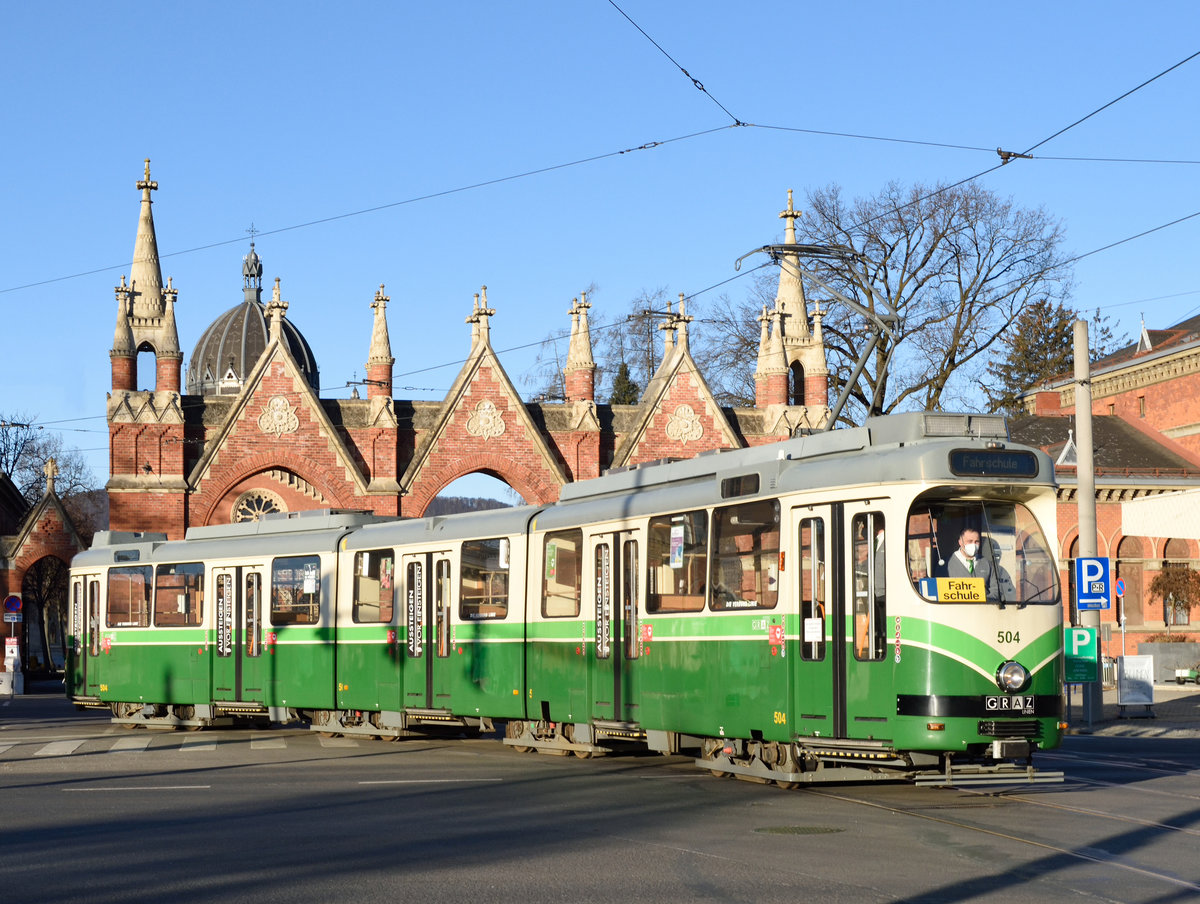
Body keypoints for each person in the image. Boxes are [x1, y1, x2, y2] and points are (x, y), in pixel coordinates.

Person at [946, 528, 999, 600]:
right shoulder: (946, 564)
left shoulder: (988, 564)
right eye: (970, 541)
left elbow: (996, 591)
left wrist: (983, 601)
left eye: (976, 541)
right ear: (960, 542)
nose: (973, 545)